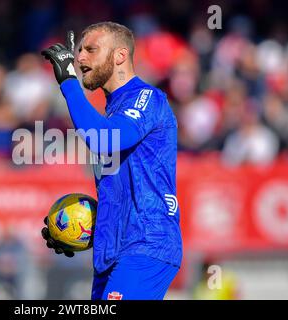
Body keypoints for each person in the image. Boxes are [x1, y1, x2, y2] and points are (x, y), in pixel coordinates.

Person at [41, 22, 182, 300]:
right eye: (79, 50)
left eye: (90, 50)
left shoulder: (146, 98)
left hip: (147, 243)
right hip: (113, 251)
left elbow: (105, 140)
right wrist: (73, 229)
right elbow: (120, 191)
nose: (79, 58)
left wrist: (69, 83)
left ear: (120, 56)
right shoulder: (112, 112)